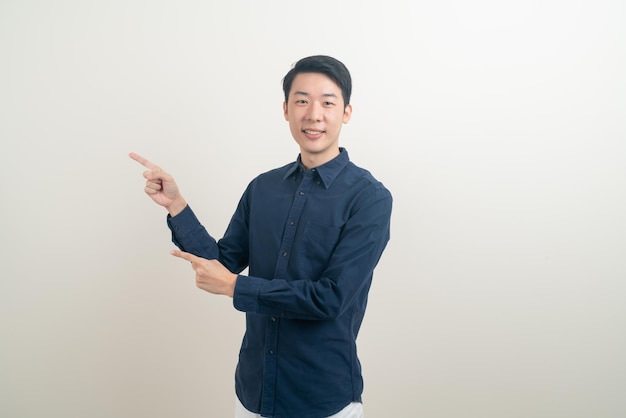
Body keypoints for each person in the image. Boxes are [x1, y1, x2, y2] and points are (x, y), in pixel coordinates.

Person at [130, 55, 392, 418]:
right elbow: (221, 263)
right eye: (302, 100)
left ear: (346, 112)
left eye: (327, 102)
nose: (314, 114)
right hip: (253, 392)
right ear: (286, 110)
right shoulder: (263, 188)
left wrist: (237, 287)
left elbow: (332, 298)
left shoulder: (370, 198)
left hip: (322, 398)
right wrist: (176, 205)